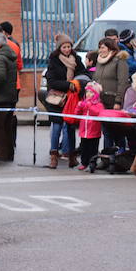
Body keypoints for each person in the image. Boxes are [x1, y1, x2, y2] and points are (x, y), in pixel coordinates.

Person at [45, 33, 87, 169]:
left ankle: (71, 156)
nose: (67, 49)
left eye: (69, 46)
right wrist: (67, 85)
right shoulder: (54, 60)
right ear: (59, 48)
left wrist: (77, 82)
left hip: (72, 98)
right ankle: (54, 155)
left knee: (69, 126)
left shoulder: (76, 59)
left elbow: (84, 74)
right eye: (64, 47)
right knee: (56, 126)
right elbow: (51, 81)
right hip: (57, 99)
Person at [0, 30, 18, 163]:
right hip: (9, 96)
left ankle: (1, 153)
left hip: (1, 97)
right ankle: (8, 153)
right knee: (6, 126)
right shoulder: (9, 55)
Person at [75, 82, 105, 169]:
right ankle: (84, 163)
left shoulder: (99, 105)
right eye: (87, 92)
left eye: (91, 92)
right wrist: (79, 107)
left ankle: (92, 163)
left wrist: (89, 106)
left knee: (93, 149)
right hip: (84, 131)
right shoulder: (84, 103)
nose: (88, 94)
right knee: (84, 148)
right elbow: (77, 114)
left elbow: (98, 113)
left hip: (94, 131)